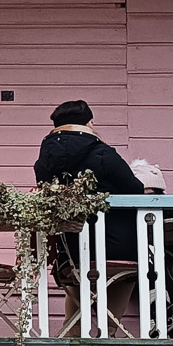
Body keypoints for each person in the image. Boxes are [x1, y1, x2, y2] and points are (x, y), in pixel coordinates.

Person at [33, 98, 145, 261]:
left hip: (70, 251)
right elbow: (136, 190)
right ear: (89, 123)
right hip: (116, 248)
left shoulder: (44, 162)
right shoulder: (103, 154)